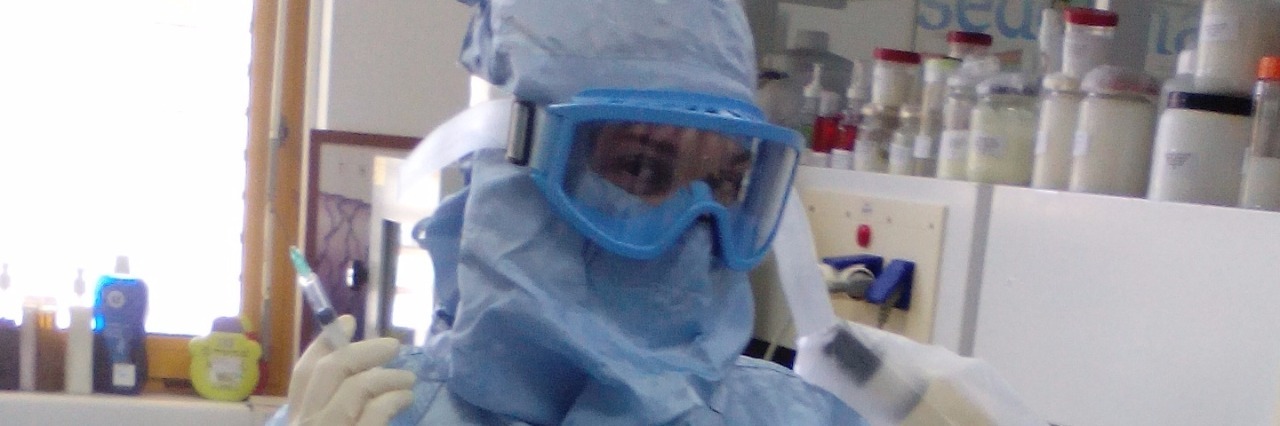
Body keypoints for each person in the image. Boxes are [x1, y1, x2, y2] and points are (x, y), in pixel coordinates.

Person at [273, 0, 869, 424]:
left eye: (725, 184)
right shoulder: (373, 414)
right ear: (516, 176)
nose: (695, 232)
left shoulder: (794, 417)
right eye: (641, 169)